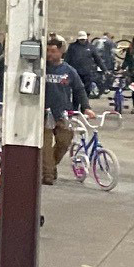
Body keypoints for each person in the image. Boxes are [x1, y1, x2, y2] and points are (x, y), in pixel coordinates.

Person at [41, 38, 91, 185]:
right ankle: (48, 175)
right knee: (45, 146)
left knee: (64, 142)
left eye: (53, 51)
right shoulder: (41, 69)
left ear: (61, 52)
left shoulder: (69, 71)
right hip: (44, 114)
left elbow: (79, 89)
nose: (50, 54)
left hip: (63, 113)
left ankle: (51, 166)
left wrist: (86, 107)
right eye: (48, 51)